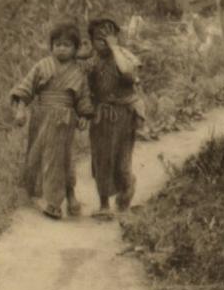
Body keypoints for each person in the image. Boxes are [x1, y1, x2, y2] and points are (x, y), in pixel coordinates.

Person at [10, 21, 93, 220]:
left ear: (75, 49)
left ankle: (57, 202)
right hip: (41, 117)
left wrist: (84, 116)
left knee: (61, 158)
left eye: (67, 45)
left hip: (64, 120)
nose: (61, 49)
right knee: (36, 156)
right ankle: (35, 193)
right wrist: (21, 109)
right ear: (51, 46)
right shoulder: (42, 66)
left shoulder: (78, 72)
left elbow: (83, 98)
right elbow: (25, 88)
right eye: (57, 44)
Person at [86, 16, 145, 218]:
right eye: (98, 39)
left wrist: (114, 48)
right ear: (92, 41)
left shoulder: (124, 56)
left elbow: (128, 74)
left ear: (116, 38)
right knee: (101, 160)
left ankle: (126, 191)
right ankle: (103, 205)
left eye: (108, 38)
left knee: (122, 160)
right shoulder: (91, 61)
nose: (104, 43)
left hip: (124, 115)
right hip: (101, 116)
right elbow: (86, 90)